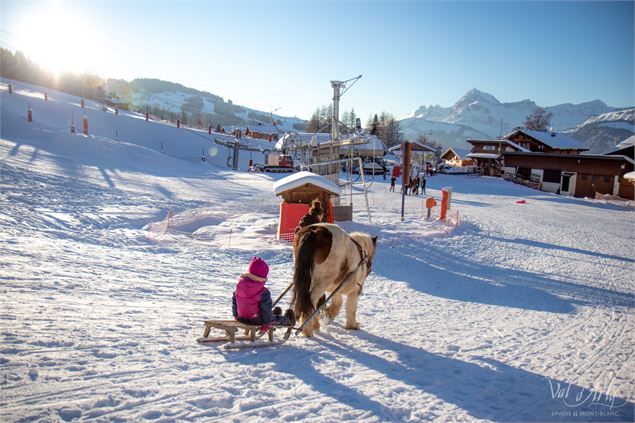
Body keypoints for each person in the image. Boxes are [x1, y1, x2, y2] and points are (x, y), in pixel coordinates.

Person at [232, 257, 295, 332]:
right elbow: (265, 309)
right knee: (275, 319)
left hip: (241, 318)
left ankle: (272, 316)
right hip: (257, 320)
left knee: (267, 315)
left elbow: (234, 302)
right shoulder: (263, 292)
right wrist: (266, 325)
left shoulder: (239, 287)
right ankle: (289, 320)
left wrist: (236, 316)